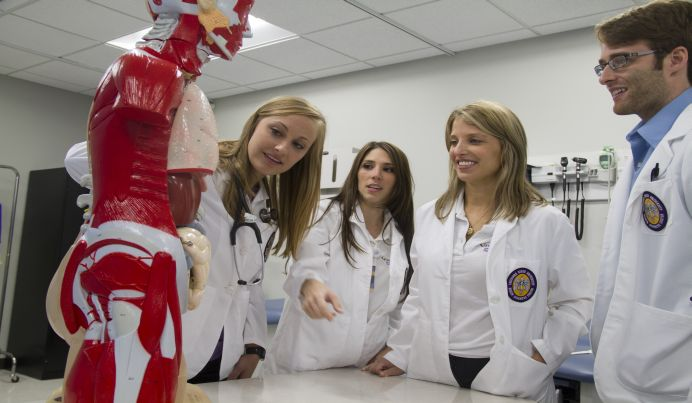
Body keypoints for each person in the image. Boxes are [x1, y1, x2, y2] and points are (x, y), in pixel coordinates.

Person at [365, 101, 592, 403]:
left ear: (507, 148)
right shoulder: (431, 215)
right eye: (453, 141)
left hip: (511, 374)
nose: (459, 150)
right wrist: (399, 350)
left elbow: (574, 301)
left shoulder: (545, 221)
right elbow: (419, 295)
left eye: (474, 140)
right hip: (433, 372)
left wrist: (542, 357)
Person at [182, 96, 326, 383]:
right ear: (256, 122)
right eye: (276, 131)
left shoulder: (267, 207)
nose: (282, 148)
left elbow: (250, 284)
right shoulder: (198, 169)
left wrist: (254, 347)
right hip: (171, 338)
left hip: (225, 354)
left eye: (298, 145)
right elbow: (80, 158)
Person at [589, 1, 692, 402]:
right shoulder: (641, 149)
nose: (605, 77)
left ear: (676, 59)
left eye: (621, 60)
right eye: (602, 65)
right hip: (642, 375)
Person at [263, 141, 415, 374]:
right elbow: (305, 265)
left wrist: (394, 349)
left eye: (388, 169)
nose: (376, 175)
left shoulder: (400, 235)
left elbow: (398, 307)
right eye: (368, 166)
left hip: (362, 370)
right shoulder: (323, 214)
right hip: (305, 366)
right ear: (356, 173)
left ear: (399, 180)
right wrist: (311, 285)